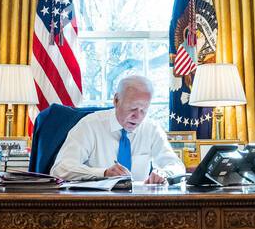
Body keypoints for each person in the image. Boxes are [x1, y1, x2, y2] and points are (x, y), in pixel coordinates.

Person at [50, 74, 186, 183]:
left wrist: (164, 173)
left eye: (144, 110)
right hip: (95, 204)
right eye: (132, 108)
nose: (137, 116)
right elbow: (60, 168)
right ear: (116, 100)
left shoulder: (151, 129)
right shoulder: (89, 125)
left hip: (140, 205)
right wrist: (103, 173)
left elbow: (177, 166)